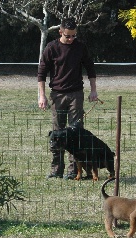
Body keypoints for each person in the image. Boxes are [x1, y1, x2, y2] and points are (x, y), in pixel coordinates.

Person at [37, 17, 98, 179]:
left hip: (76, 94)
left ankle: (74, 171)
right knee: (57, 134)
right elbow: (41, 74)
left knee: (76, 133)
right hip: (57, 95)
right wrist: (42, 96)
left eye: (74, 36)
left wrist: (93, 91)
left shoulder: (80, 48)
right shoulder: (51, 48)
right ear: (60, 32)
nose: (71, 39)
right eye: (68, 36)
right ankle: (56, 170)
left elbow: (90, 69)